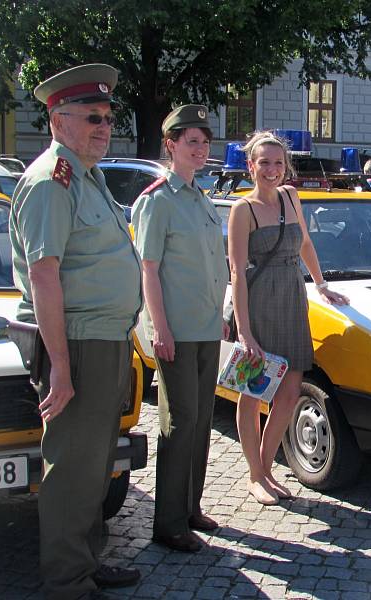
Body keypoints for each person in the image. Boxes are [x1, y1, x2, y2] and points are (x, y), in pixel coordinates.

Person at [8, 64, 142, 599]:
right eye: (92, 117)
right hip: (77, 345)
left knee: (95, 467)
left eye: (108, 117)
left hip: (104, 342)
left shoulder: (88, 175)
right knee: (71, 469)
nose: (104, 126)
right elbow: (44, 276)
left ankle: (86, 559)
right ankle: (67, 582)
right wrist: (60, 368)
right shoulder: (50, 181)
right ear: (57, 120)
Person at [227, 131, 348, 505]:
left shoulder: (291, 197)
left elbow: (306, 244)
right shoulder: (241, 210)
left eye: (278, 163)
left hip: (293, 300)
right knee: (252, 393)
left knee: (290, 390)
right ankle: (254, 475)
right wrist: (245, 332)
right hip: (259, 303)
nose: (272, 170)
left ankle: (265, 469)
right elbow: (236, 272)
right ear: (251, 166)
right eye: (264, 162)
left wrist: (322, 283)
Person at [131, 105, 228, 552]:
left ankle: (190, 507)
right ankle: (168, 524)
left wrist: (223, 316)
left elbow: (213, 267)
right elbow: (149, 270)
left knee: (202, 420)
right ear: (170, 145)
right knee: (178, 422)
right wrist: (159, 329)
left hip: (206, 328)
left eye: (205, 143)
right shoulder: (157, 201)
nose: (201, 149)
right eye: (192, 142)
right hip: (176, 331)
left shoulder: (202, 198)